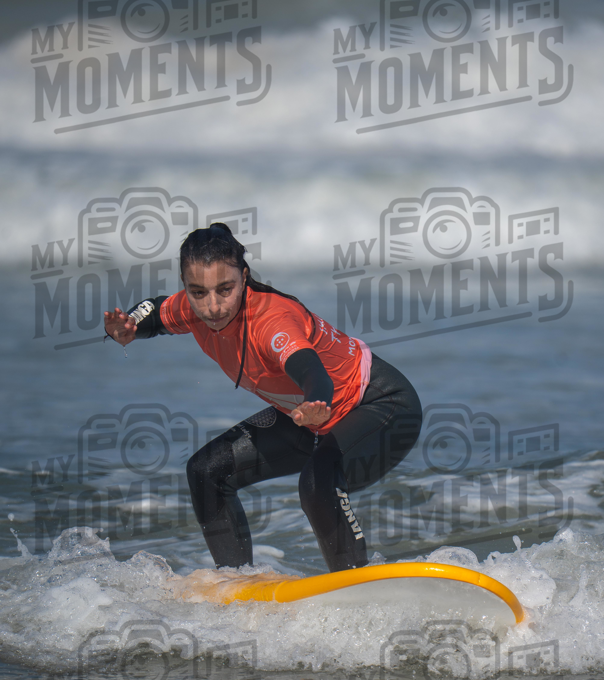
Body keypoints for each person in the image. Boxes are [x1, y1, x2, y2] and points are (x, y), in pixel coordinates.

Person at [104, 223, 422, 573]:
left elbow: (312, 372)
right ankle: (238, 585)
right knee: (207, 472)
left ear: (244, 277)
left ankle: (355, 585)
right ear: (186, 286)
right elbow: (155, 311)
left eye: (225, 290)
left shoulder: (271, 322)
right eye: (198, 292)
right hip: (307, 417)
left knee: (317, 482)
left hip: (381, 407)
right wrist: (129, 326)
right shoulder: (194, 308)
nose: (212, 306)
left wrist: (317, 402)